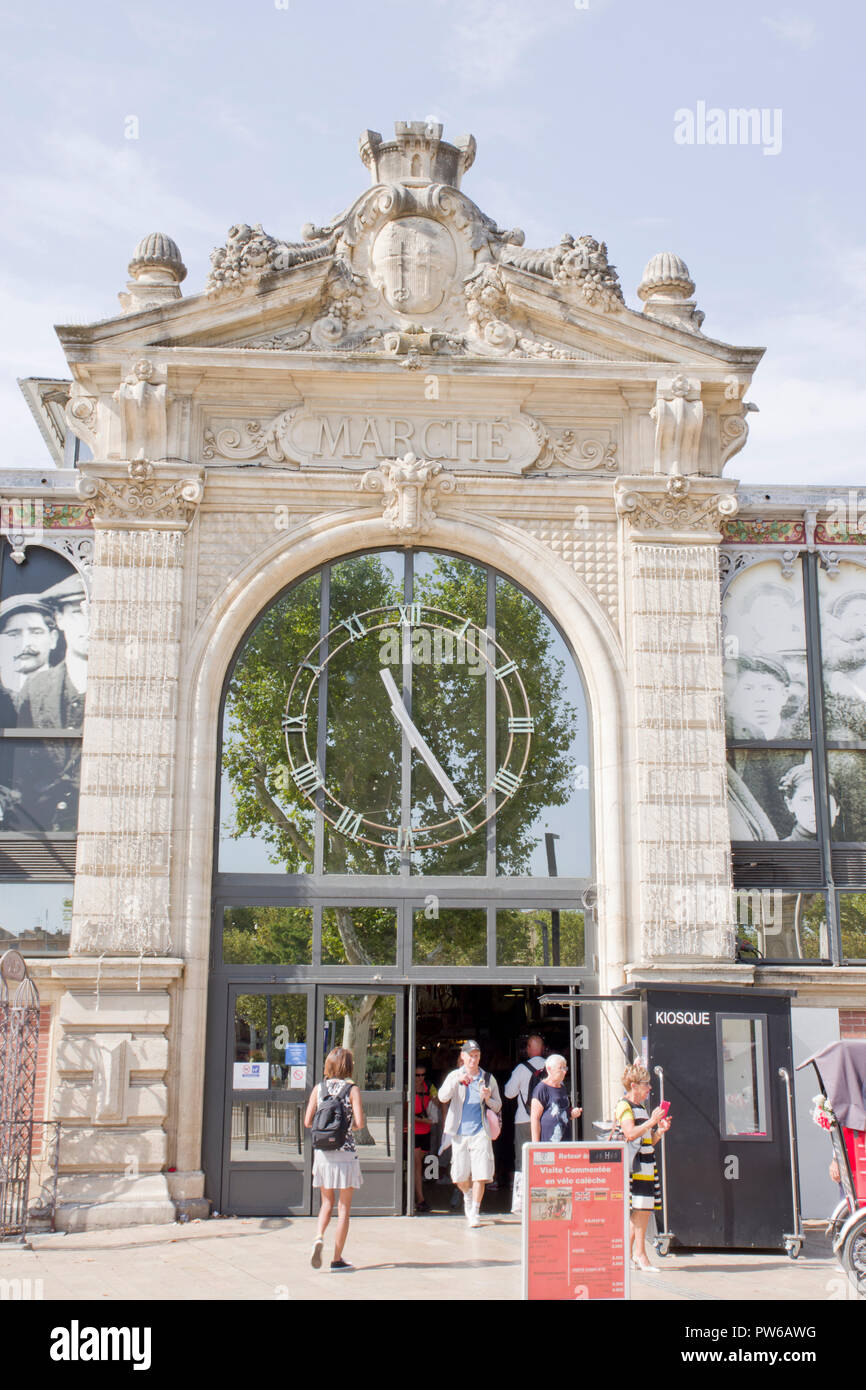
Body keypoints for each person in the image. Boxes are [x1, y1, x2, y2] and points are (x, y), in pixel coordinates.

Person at [303, 1045, 365, 1272]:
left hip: (323, 1156)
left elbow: (308, 1122)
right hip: (345, 1154)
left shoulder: (319, 1089)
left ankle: (319, 1236)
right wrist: (346, 1127)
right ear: (348, 1066)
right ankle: (337, 1259)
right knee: (344, 1208)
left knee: (326, 1203)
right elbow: (359, 1123)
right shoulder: (352, 1090)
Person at [438, 1039, 502, 1228]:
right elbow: (442, 1097)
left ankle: (475, 1210)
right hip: (459, 1133)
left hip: (480, 1131)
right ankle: (467, 1194)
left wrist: (488, 1098)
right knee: (459, 1176)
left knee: (480, 1174)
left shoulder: (488, 1079)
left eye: (476, 1056)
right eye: (470, 1056)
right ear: (463, 1057)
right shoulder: (454, 1076)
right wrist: (456, 1082)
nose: (473, 1060)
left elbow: (498, 1105)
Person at [614, 1062, 671, 1273]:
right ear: (635, 1085)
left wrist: (659, 1130)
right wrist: (652, 1122)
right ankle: (639, 1254)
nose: (649, 1089)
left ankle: (629, 1255)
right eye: (646, 1084)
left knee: (642, 1210)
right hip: (635, 1166)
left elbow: (647, 1141)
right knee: (640, 1210)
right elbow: (630, 1133)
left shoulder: (641, 1108)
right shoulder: (625, 1105)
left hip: (645, 1163)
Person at [504, 1034, 547, 1213]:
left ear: (529, 1049)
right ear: (542, 1049)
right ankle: (543, 1199)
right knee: (545, 1160)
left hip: (524, 1119)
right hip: (545, 1121)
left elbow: (509, 1093)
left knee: (522, 1161)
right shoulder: (551, 1066)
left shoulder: (521, 1069)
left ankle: (521, 1203)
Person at [529, 1054, 581, 1142]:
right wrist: (536, 1146)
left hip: (565, 1141)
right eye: (560, 1068)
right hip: (548, 1142)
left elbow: (562, 1111)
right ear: (549, 1069)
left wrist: (571, 1113)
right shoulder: (541, 1088)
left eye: (565, 1068)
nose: (564, 1072)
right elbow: (535, 1119)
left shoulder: (562, 1087)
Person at [410, 1061, 438, 1212]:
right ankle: (420, 1198)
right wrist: (422, 1120)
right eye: (417, 1075)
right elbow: (406, 1114)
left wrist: (436, 1102)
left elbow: (439, 1102)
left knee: (418, 1164)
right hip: (413, 1130)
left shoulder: (429, 1087)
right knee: (417, 1165)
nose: (420, 1078)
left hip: (426, 1130)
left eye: (422, 1075)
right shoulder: (408, 1089)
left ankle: (414, 1194)